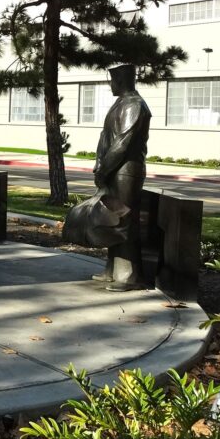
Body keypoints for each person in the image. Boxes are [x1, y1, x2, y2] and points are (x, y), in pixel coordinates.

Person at [62, 64, 151, 291]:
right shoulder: (121, 103)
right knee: (110, 219)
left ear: (120, 81)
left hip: (125, 171)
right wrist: (99, 165)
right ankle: (112, 270)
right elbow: (105, 139)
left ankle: (129, 276)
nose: (111, 85)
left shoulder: (134, 105)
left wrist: (104, 168)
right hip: (113, 170)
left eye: (113, 81)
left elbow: (122, 143)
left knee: (123, 220)